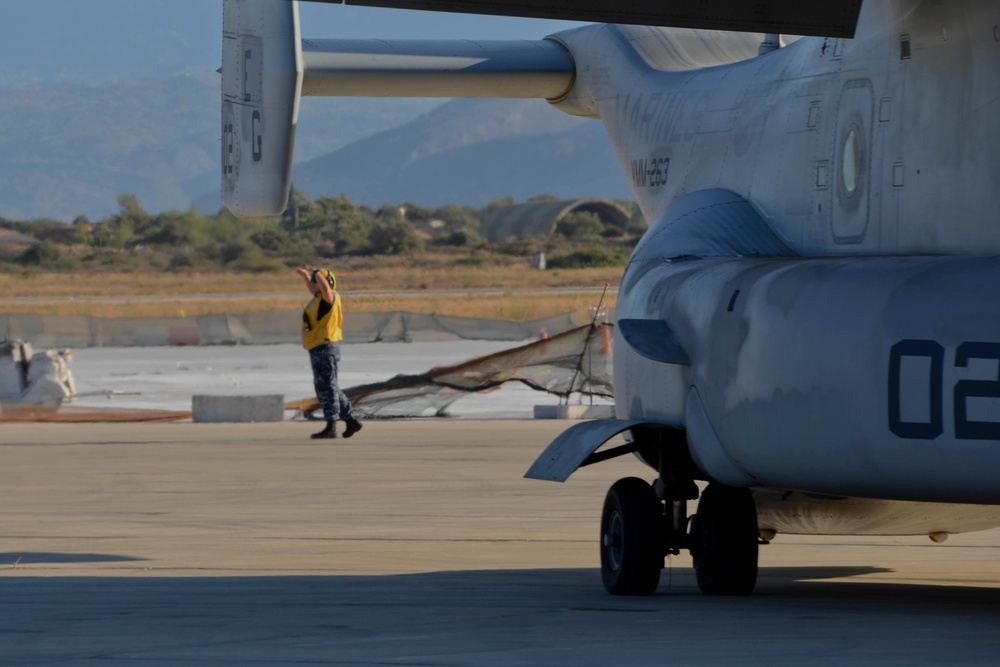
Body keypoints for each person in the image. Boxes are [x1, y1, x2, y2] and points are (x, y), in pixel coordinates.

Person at [296, 265, 363, 440]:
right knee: (327, 386)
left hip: (325, 348)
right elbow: (316, 289)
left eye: (315, 282)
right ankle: (350, 420)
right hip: (318, 348)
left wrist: (317, 272)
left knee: (328, 387)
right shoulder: (318, 300)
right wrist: (306, 276)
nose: (312, 285)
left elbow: (325, 288)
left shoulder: (329, 298)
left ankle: (331, 426)